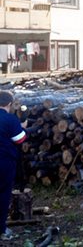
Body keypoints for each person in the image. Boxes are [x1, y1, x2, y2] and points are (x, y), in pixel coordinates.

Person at [0, 90, 26, 241]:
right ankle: (1, 229)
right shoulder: (10, 119)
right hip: (4, 163)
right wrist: (21, 126)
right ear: (9, 104)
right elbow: (20, 140)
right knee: (3, 195)